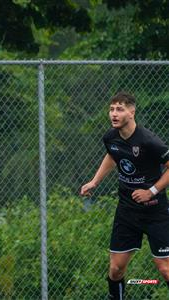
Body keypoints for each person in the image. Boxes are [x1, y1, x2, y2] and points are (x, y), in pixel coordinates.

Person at [80, 92, 169, 300]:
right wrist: (94, 181)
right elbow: (113, 154)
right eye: (111, 109)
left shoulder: (149, 141)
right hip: (127, 212)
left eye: (119, 109)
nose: (114, 114)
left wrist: (151, 191)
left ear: (132, 111)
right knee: (116, 269)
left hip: (156, 211)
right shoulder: (110, 137)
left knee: (164, 269)